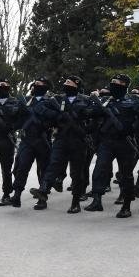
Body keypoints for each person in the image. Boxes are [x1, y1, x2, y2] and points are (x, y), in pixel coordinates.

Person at [29, 76, 96, 213]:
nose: (66, 84)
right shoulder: (57, 99)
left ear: (76, 86)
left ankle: (75, 202)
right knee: (53, 165)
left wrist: (86, 127)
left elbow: (97, 116)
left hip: (78, 140)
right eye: (65, 82)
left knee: (76, 173)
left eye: (69, 83)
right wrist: (57, 115)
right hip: (61, 138)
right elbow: (40, 108)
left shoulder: (85, 99)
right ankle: (43, 192)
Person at [84, 74, 139, 217]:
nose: (113, 84)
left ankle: (126, 206)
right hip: (107, 141)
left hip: (125, 142)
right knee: (99, 170)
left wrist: (131, 128)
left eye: (117, 82)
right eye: (112, 82)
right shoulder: (105, 101)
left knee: (126, 175)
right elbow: (91, 113)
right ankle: (97, 200)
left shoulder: (133, 101)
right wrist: (94, 108)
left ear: (124, 85)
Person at [8, 78, 59, 208]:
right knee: (21, 168)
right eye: (35, 84)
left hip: (42, 139)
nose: (36, 86)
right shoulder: (27, 101)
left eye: (39, 84)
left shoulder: (50, 102)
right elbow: (18, 120)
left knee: (43, 169)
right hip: (27, 140)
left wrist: (45, 122)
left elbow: (58, 117)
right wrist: (16, 116)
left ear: (46, 87)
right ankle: (17, 195)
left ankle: (42, 198)